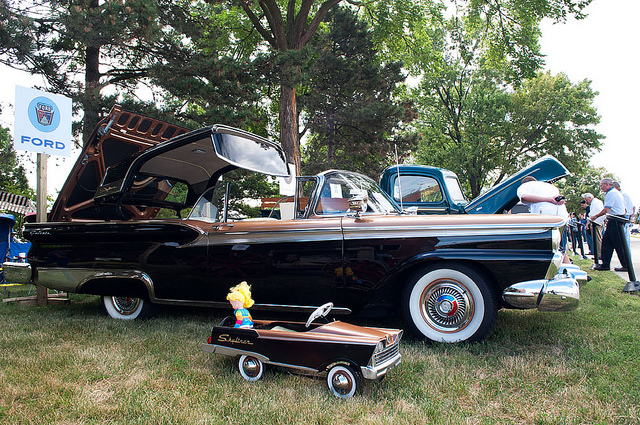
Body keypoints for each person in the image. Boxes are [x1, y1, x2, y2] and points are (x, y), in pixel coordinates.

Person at [517, 176, 570, 262]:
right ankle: (567, 269)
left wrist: (548, 199)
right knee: (560, 248)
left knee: (548, 248)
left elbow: (524, 197)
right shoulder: (551, 187)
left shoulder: (524, 186)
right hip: (561, 218)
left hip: (546, 219)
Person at [591, 178, 628, 272]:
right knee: (607, 243)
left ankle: (626, 265)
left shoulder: (611, 194)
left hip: (616, 220)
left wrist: (595, 216)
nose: (601, 187)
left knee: (618, 243)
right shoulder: (615, 192)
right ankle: (605, 264)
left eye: (601, 185)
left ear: (607, 184)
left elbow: (606, 209)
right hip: (614, 219)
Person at [613, 181, 635, 250]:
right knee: (625, 238)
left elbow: (624, 208)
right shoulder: (624, 194)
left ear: (617, 187)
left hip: (624, 217)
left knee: (623, 239)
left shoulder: (621, 195)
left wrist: (627, 217)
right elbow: (633, 207)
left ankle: (626, 257)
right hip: (626, 216)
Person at [583, 193, 605, 260]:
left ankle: (599, 254)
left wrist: (589, 223)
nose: (586, 202)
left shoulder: (594, 203)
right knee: (599, 238)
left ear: (589, 198)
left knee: (597, 239)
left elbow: (592, 214)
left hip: (596, 222)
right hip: (600, 221)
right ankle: (599, 253)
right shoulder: (598, 202)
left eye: (586, 200)